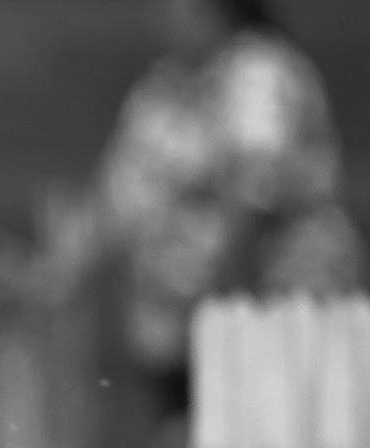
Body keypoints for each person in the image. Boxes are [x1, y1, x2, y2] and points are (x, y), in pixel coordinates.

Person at [44, 0, 362, 422]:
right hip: (175, 327)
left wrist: (217, 297)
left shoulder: (258, 69)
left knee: (259, 441)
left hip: (264, 316)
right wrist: (52, 275)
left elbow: (252, 189)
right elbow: (115, 202)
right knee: (187, 441)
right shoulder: (162, 88)